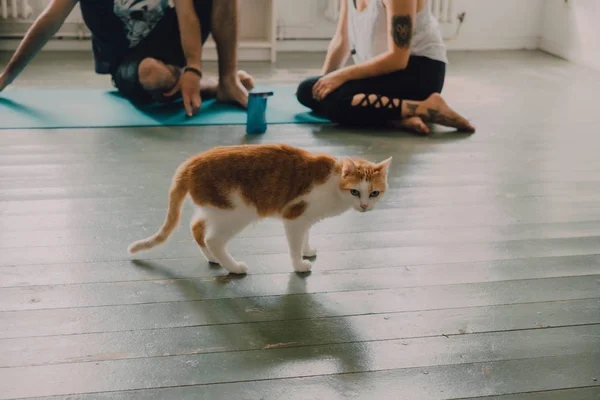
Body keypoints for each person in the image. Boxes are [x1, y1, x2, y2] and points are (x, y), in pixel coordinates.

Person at [0, 0, 254, 117]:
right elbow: (49, 22)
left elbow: (187, 14)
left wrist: (193, 69)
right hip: (129, 62)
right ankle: (212, 89)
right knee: (152, 74)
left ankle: (228, 81)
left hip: (169, 43)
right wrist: (6, 76)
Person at [296, 0, 475, 134]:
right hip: (382, 72)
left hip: (419, 72)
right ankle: (396, 118)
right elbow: (342, 40)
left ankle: (428, 108)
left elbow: (398, 59)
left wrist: (340, 77)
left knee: (335, 103)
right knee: (307, 90)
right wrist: (323, 84)